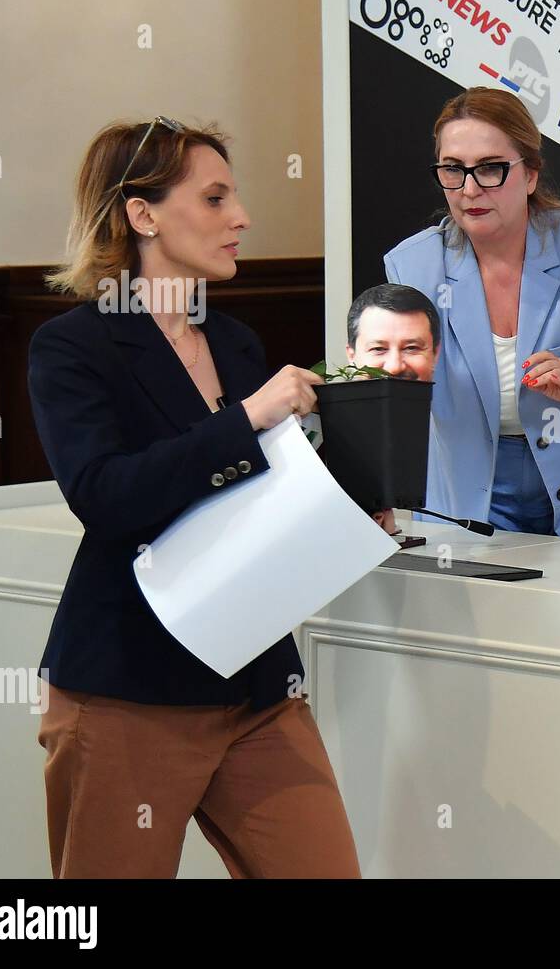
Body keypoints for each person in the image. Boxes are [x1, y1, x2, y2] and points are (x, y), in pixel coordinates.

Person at [29, 117, 359, 877]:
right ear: (140, 215)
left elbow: (253, 500)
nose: (240, 217)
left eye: (234, 197)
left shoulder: (236, 342)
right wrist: (246, 419)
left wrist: (347, 504)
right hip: (126, 691)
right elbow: (106, 496)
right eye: (214, 199)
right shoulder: (74, 348)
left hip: (256, 684)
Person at [383, 87, 560, 544]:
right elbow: (396, 394)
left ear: (531, 174)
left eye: (491, 169)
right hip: (471, 491)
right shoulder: (412, 267)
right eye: (453, 170)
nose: (470, 189)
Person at [342, 282, 441, 534]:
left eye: (411, 348)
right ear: (351, 355)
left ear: (436, 353)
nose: (395, 366)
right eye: (378, 349)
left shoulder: (465, 435)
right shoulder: (320, 434)